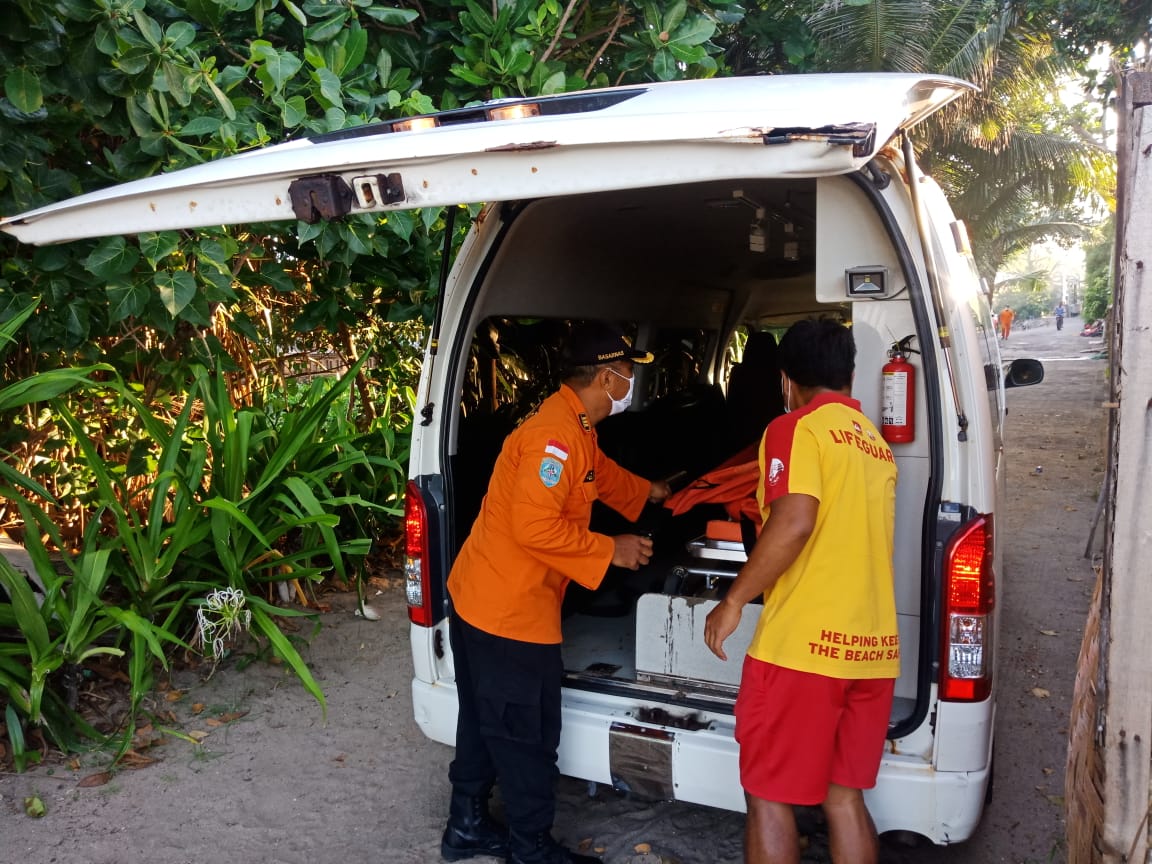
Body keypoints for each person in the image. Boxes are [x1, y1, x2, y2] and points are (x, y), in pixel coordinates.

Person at [441, 321, 672, 864]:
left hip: (482, 599)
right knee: (526, 733)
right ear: (607, 375)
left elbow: (600, 474)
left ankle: (466, 826)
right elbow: (534, 529)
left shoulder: (575, 425)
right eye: (626, 375)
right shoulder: (554, 436)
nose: (629, 383)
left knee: (481, 718)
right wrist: (610, 549)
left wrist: (651, 493)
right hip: (507, 613)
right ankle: (531, 847)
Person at [703, 318, 899, 864]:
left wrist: (733, 599)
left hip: (802, 652)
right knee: (844, 796)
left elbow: (794, 522)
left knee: (768, 793)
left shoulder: (795, 429)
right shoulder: (873, 444)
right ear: (851, 375)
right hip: (872, 652)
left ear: (786, 381)